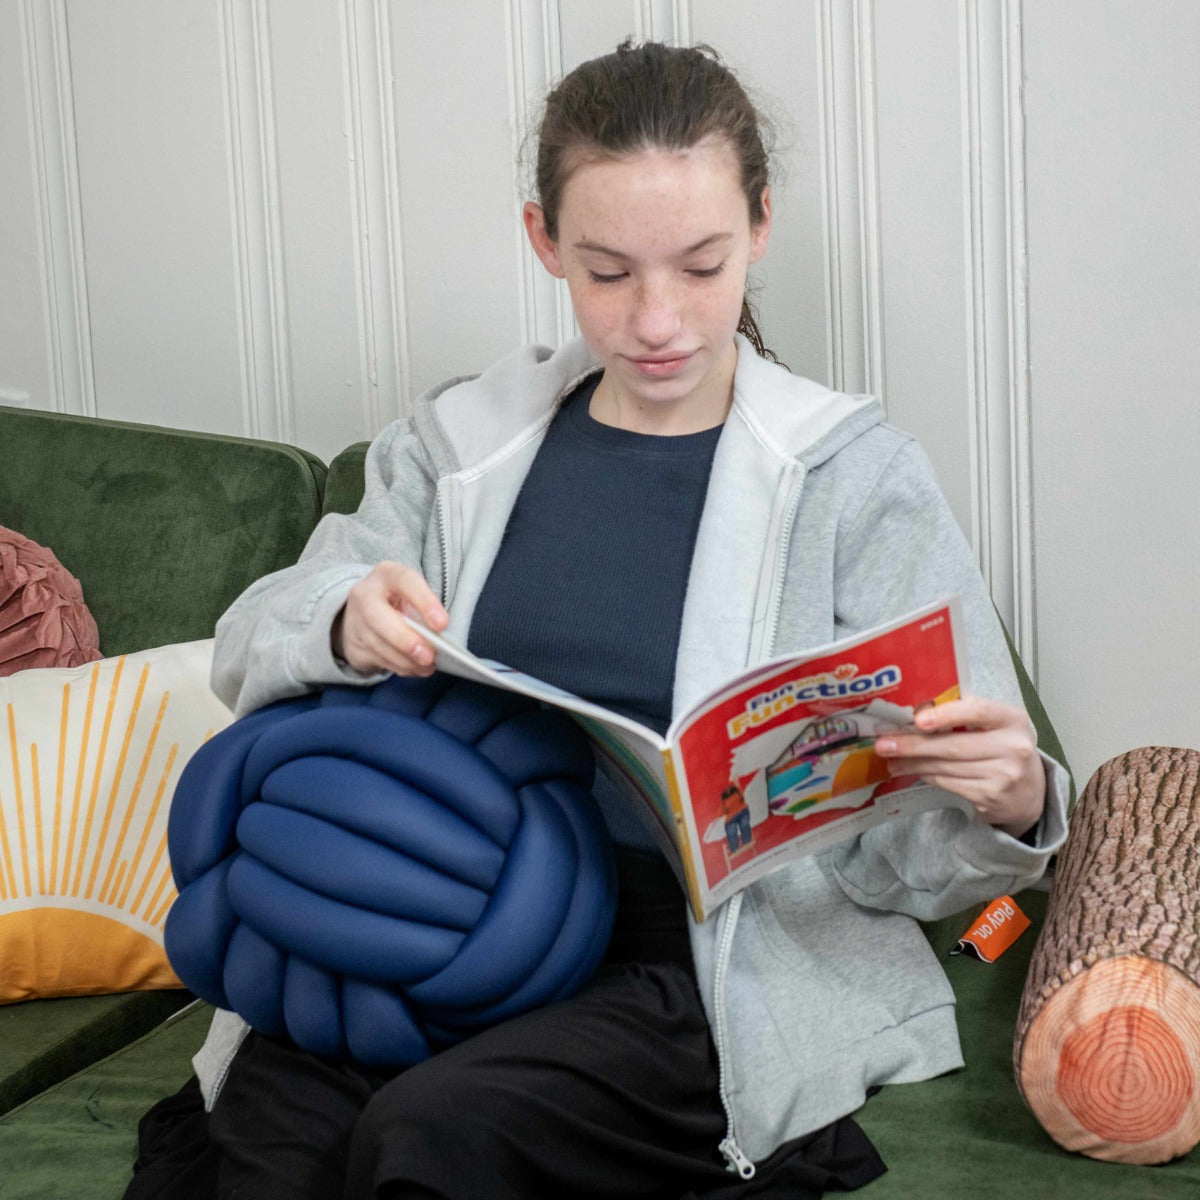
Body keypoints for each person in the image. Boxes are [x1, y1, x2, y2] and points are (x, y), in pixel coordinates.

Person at [126, 39, 1069, 1200]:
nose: (659, 318)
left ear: (761, 228)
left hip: (706, 963)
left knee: (434, 1137)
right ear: (544, 243)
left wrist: (1012, 799)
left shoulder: (854, 478)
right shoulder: (458, 445)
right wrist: (341, 619)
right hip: (440, 921)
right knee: (269, 1155)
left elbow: (920, 856)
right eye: (608, 271)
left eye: (702, 266)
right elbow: (252, 636)